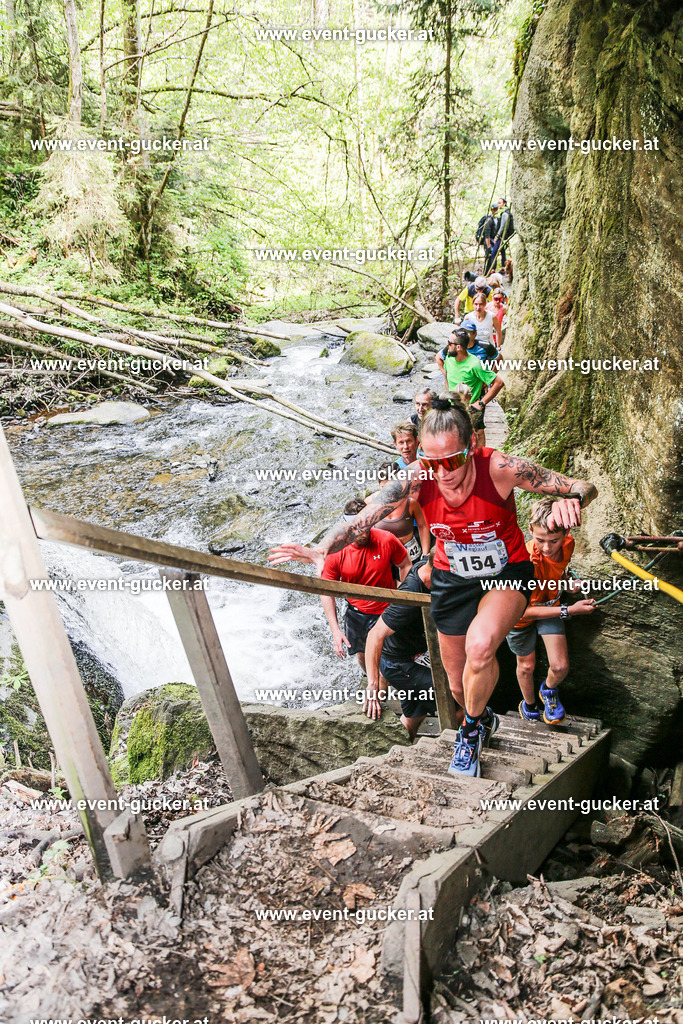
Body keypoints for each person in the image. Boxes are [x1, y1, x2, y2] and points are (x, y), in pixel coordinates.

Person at [268, 396, 598, 779]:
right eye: (432, 461)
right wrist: (323, 549)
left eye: (453, 461)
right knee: (457, 685)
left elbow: (583, 486)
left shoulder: (500, 467)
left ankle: (469, 732)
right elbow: (364, 518)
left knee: (480, 648)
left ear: (471, 446)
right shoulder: (417, 476)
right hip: (452, 578)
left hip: (505, 573)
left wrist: (571, 500)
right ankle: (482, 717)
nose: (443, 473)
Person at [506, 497, 597, 724]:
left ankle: (548, 690)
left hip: (551, 605)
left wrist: (566, 584)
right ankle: (529, 705)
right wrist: (570, 610)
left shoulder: (568, 545)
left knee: (560, 666)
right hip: (521, 617)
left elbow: (557, 572)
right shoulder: (524, 562)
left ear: (566, 533)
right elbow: (522, 612)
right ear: (530, 531)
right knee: (526, 665)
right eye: (540, 540)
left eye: (554, 541)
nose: (547, 548)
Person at [316, 498, 411, 671]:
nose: (364, 534)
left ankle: (387, 681)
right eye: (358, 530)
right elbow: (326, 591)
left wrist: (403, 599)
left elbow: (405, 565)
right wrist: (335, 630)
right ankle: (369, 677)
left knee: (392, 657)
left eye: (367, 528)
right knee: (362, 655)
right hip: (357, 612)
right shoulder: (336, 552)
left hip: (387, 609)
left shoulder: (386, 539)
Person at [363, 554, 437, 740]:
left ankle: (400, 747)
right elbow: (374, 635)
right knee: (455, 699)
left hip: (415, 653)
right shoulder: (410, 596)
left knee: (415, 714)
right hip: (399, 664)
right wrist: (372, 685)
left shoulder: (425, 566)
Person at [435, 329, 505, 445]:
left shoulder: (474, 364)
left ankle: (480, 456)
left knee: (478, 433)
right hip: (453, 407)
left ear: (458, 347)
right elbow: (447, 373)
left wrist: (481, 403)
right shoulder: (449, 358)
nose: (447, 345)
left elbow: (499, 383)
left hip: (471, 407)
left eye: (449, 343)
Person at [366, 463, 431, 563]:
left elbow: (423, 526)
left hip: (411, 557)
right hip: (385, 559)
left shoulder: (411, 502)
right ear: (379, 483)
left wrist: (426, 556)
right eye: (385, 488)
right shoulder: (369, 503)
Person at [489, 198, 514, 273]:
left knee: (493, 253)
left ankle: (493, 269)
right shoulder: (504, 212)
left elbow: (503, 226)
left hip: (502, 237)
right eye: (498, 203)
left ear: (504, 204)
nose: (498, 205)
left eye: (500, 203)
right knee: (502, 252)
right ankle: (503, 268)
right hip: (504, 236)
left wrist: (497, 236)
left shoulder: (505, 213)